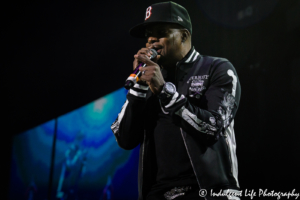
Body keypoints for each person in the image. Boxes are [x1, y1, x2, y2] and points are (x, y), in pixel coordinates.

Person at [111, 2, 241, 200]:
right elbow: (125, 139)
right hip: (157, 194)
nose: (151, 40)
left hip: (208, 192)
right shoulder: (147, 80)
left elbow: (214, 127)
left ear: (184, 36)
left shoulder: (218, 68)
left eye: (161, 32)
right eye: (148, 35)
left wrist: (165, 92)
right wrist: (138, 88)